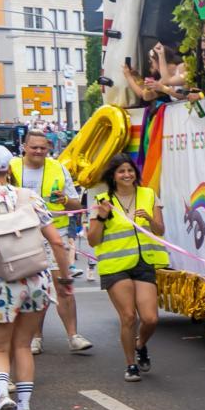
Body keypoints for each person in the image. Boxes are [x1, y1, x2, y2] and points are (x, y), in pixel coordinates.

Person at [0, 143, 73, 410]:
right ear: (9, 169)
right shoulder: (29, 197)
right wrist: (65, 279)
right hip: (36, 278)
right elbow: (57, 241)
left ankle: (3, 396)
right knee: (23, 345)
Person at [87, 153, 168, 383]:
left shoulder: (149, 195)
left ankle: (140, 344)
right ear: (113, 176)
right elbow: (93, 240)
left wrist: (150, 220)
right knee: (128, 317)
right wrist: (102, 218)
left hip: (143, 262)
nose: (126, 174)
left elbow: (160, 230)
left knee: (151, 319)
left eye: (130, 170)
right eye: (121, 171)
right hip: (116, 265)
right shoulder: (102, 201)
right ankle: (130, 364)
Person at [9, 130, 91, 355]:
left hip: (57, 232)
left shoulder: (58, 168)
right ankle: (35, 337)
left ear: (49, 149)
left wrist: (65, 200)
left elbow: (75, 204)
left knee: (63, 284)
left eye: (43, 148)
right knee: (32, 288)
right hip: (21, 235)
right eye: (34, 147)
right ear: (24, 146)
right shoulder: (11, 167)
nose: (38, 151)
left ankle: (73, 336)